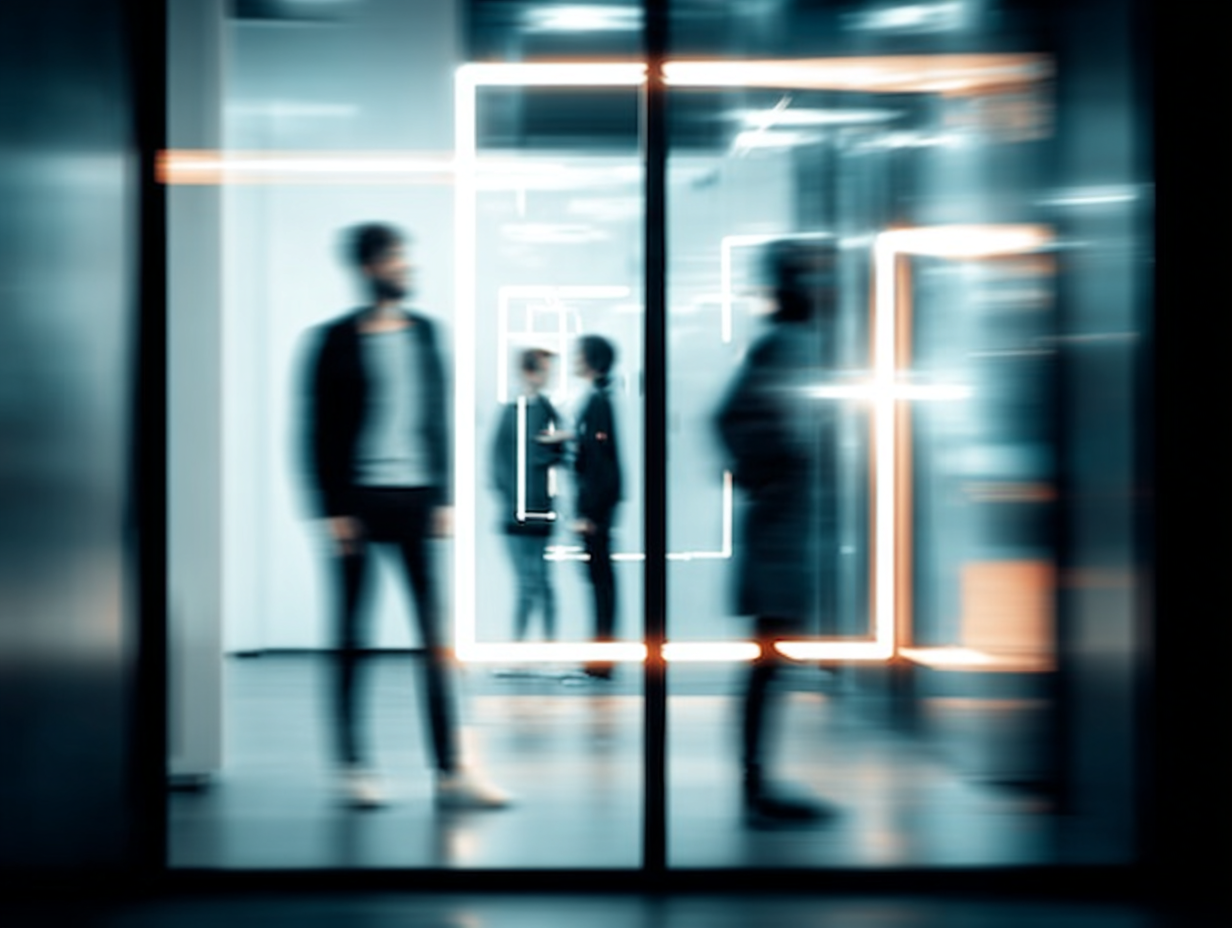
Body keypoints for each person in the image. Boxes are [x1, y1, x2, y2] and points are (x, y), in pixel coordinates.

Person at [300, 222, 510, 810]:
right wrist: (332, 511)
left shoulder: (424, 335)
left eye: (406, 257)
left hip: (415, 500)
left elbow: (438, 417)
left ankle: (451, 772)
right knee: (352, 636)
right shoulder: (333, 341)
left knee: (436, 641)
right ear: (370, 267)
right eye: (397, 258)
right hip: (359, 506)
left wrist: (442, 495)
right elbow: (315, 432)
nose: (407, 267)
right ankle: (352, 765)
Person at [714, 238, 841, 827]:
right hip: (780, 537)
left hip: (792, 531)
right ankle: (755, 785)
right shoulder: (784, 346)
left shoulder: (801, 345)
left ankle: (757, 783)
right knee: (768, 661)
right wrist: (771, 475)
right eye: (814, 277)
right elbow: (733, 419)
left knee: (771, 662)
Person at [490, 348, 567, 644]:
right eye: (544, 371)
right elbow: (498, 461)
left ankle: (538, 648)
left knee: (537, 582)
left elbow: (556, 453)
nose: (547, 378)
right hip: (519, 509)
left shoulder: (544, 411)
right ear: (529, 372)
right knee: (532, 582)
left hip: (534, 508)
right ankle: (527, 649)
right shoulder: (516, 412)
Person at [571, 334, 623, 680]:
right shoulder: (599, 400)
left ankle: (601, 661)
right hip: (599, 506)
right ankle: (600, 658)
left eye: (578, 356)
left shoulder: (598, 403)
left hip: (597, 509)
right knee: (601, 582)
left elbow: (601, 464)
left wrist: (589, 513)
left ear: (590, 361)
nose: (574, 361)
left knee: (601, 583)